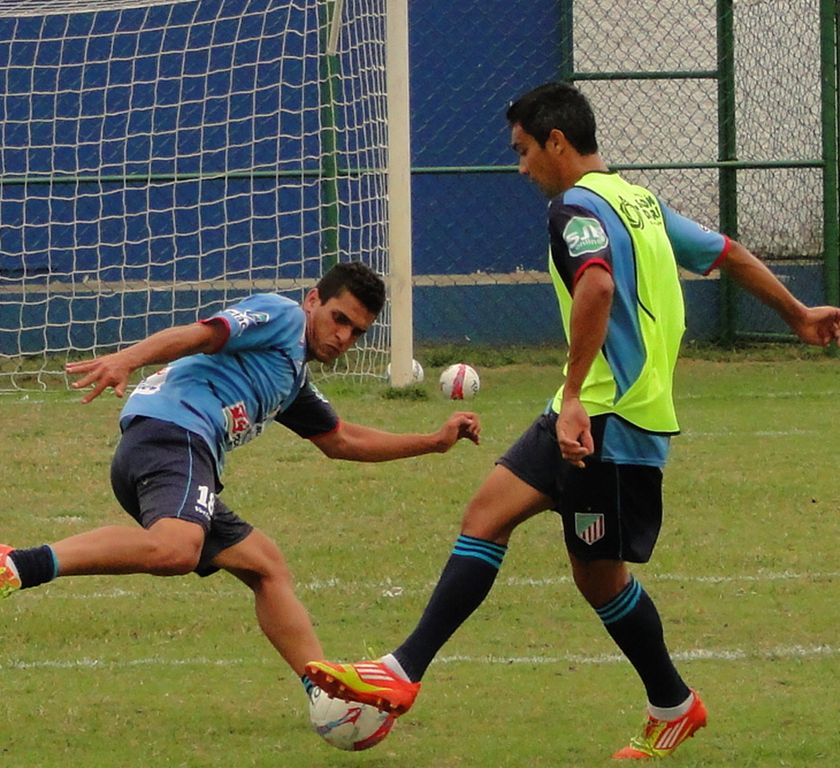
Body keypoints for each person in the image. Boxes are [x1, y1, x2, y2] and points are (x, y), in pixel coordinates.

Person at [305, 82, 840, 760]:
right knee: (488, 514)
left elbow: (595, 283)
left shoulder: (573, 209)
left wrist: (570, 395)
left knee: (598, 577)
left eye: (524, 151)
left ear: (556, 142)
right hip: (600, 409)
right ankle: (405, 670)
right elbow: (726, 252)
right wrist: (797, 314)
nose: (521, 166)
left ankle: (673, 704)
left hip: (607, 418)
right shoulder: (638, 200)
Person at [0, 261, 481, 707]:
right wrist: (129, 358)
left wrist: (432, 442)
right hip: (175, 434)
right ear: (313, 300)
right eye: (339, 319)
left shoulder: (290, 375)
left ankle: (323, 691)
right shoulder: (283, 316)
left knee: (265, 566)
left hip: (169, 448)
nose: (343, 336)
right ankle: (18, 564)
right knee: (176, 549)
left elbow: (341, 439)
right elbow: (202, 335)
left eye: (356, 331)